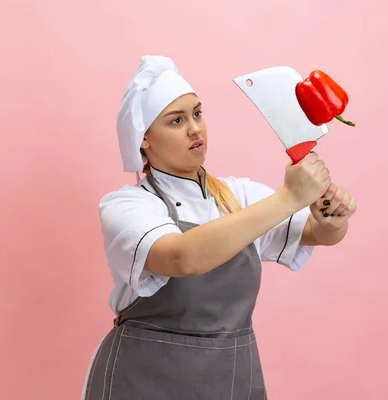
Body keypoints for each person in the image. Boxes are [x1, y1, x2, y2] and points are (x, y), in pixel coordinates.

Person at [81, 55, 357, 400]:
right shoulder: (127, 206)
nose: (195, 128)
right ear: (144, 140)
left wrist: (332, 216)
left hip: (230, 378)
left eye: (197, 113)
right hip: (145, 380)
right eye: (176, 120)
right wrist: (289, 197)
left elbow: (318, 233)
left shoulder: (238, 194)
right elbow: (182, 257)